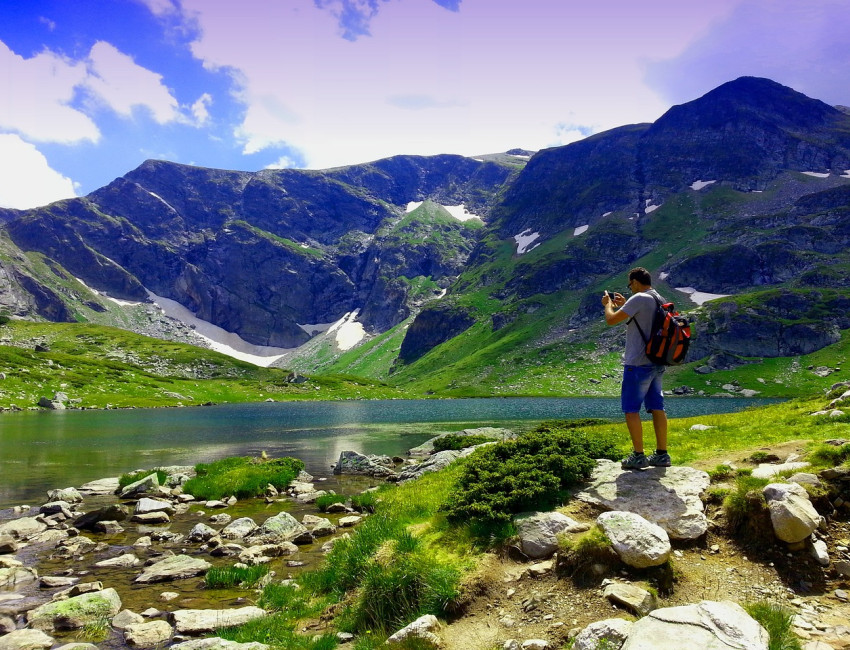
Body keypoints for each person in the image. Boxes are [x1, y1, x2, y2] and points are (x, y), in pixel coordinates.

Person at [602, 267, 672, 469]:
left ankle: (638, 455)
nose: (630, 288)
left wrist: (608, 305)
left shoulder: (639, 298)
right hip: (656, 362)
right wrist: (625, 305)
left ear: (635, 281)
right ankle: (662, 454)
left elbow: (611, 320)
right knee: (657, 407)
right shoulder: (658, 298)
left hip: (638, 363)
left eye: (630, 284)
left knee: (631, 409)